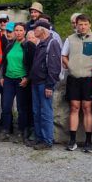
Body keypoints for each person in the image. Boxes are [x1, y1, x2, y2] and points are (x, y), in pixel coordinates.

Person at [62, 14, 92, 152]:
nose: (82, 27)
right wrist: (71, 66)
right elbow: (63, 55)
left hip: (89, 78)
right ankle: (72, 140)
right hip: (74, 78)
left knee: (87, 108)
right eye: (80, 24)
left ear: (90, 24)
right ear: (76, 25)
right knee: (74, 107)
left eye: (85, 24)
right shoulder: (70, 39)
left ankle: (88, 142)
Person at [0, 24, 35, 143]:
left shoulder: (29, 45)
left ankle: (21, 132)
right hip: (8, 79)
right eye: (16, 30)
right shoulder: (10, 45)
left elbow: (33, 64)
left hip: (21, 80)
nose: (18, 32)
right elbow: (4, 62)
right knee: (6, 106)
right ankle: (5, 131)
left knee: (21, 108)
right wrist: (1, 76)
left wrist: (27, 78)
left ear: (25, 32)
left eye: (20, 30)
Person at [29, 20, 62, 150]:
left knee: (45, 112)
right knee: (37, 112)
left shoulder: (52, 43)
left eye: (35, 28)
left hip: (44, 84)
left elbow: (54, 67)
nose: (33, 31)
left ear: (42, 30)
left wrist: (49, 85)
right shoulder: (41, 43)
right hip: (36, 82)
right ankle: (39, 138)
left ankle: (47, 140)